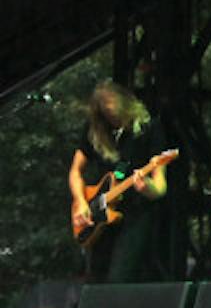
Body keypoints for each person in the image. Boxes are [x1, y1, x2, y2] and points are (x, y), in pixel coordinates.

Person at [67, 79, 175, 282]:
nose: (112, 114)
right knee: (95, 278)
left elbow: (161, 188)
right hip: (100, 214)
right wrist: (81, 202)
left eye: (115, 109)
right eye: (106, 112)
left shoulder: (149, 129)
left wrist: (146, 187)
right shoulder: (94, 131)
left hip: (135, 213)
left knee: (119, 277)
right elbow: (75, 170)